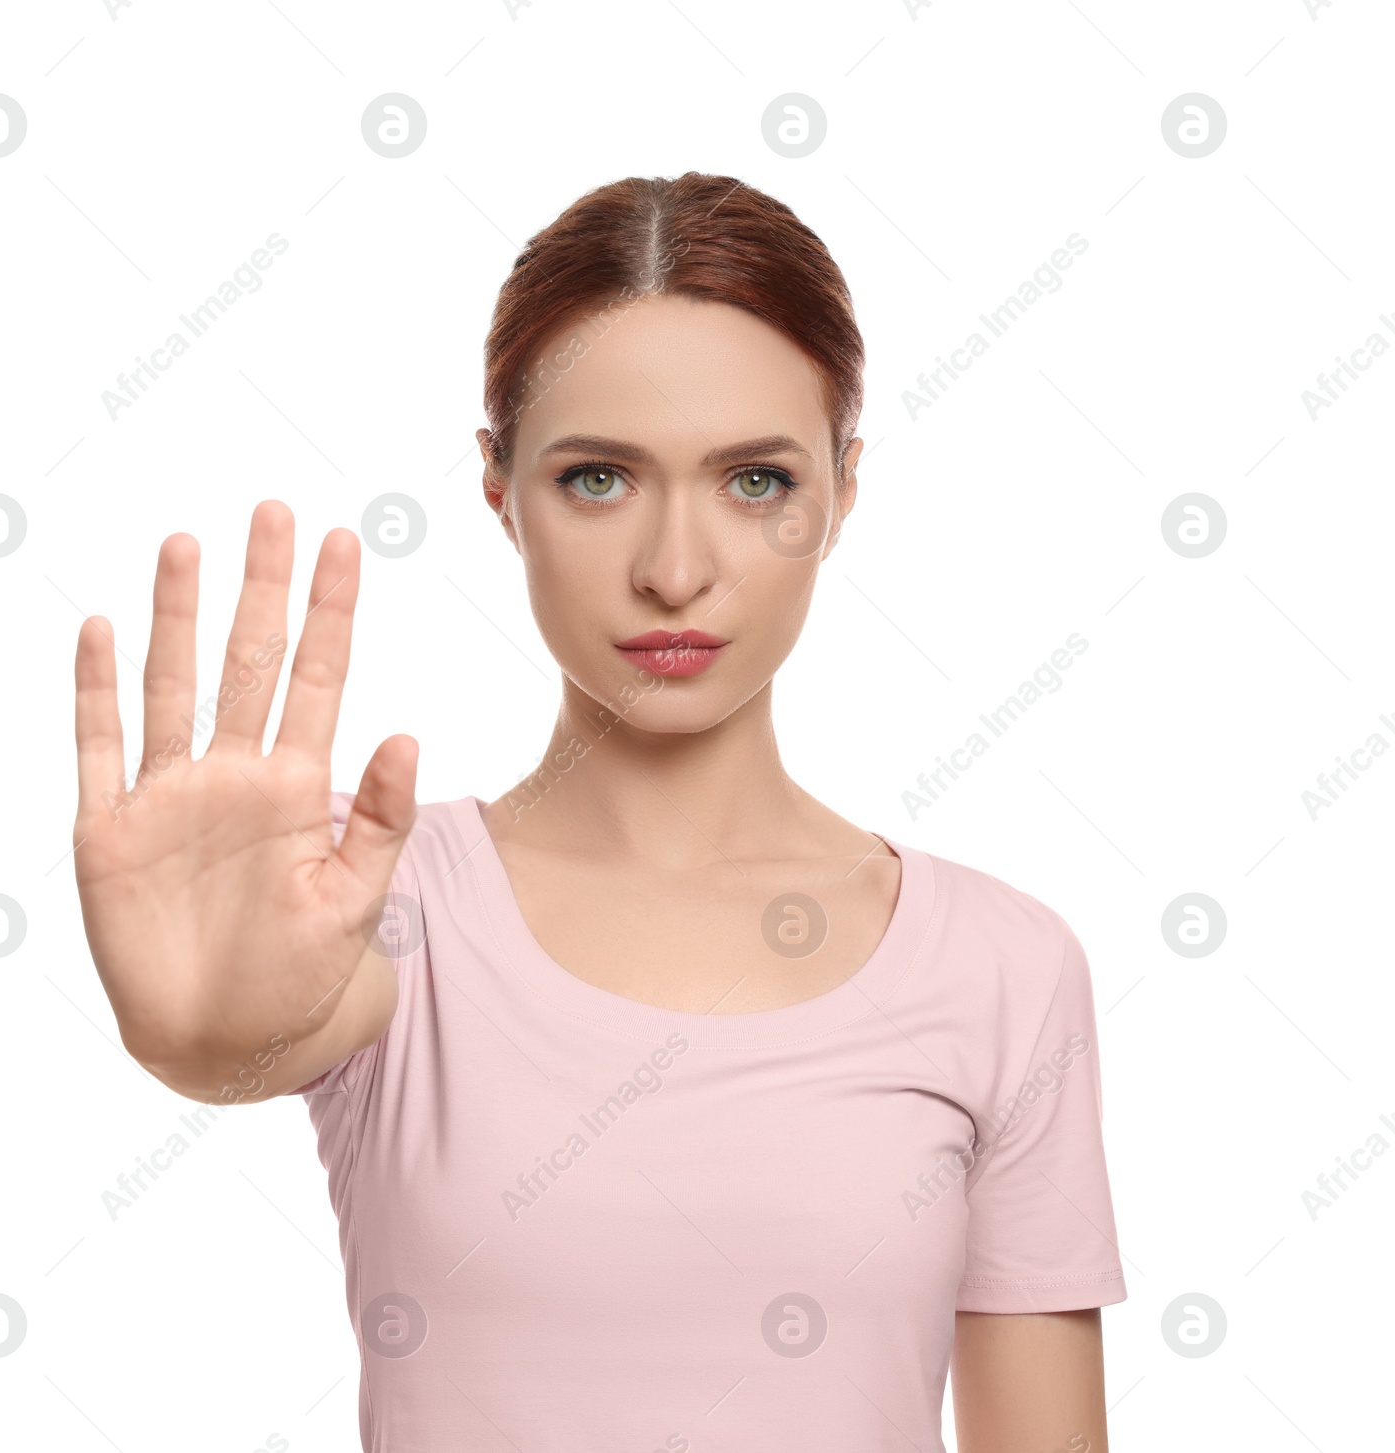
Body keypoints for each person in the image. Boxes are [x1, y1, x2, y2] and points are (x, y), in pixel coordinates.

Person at [71, 171, 1125, 1452]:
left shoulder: (1001, 967)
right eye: (596, 479)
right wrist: (192, 1035)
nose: (674, 570)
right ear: (497, 487)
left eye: (753, 481)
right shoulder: (368, 899)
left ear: (843, 491)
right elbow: (243, 1031)